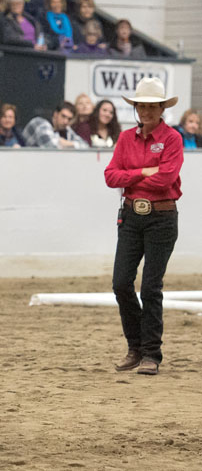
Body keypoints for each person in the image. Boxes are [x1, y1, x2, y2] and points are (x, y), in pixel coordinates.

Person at [105, 77, 183, 376]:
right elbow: (110, 175)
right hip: (132, 217)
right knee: (121, 282)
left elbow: (165, 178)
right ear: (137, 107)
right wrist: (143, 171)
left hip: (161, 217)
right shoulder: (126, 138)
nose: (146, 111)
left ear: (161, 108)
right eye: (142, 106)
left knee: (151, 286)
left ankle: (150, 352)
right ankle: (137, 347)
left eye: (152, 106)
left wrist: (131, 176)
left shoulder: (172, 139)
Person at [22, 101, 88, 149]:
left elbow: (85, 146)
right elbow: (51, 148)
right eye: (63, 116)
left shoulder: (66, 129)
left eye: (69, 119)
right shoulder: (40, 123)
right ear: (56, 114)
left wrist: (68, 143)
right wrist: (61, 142)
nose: (65, 121)